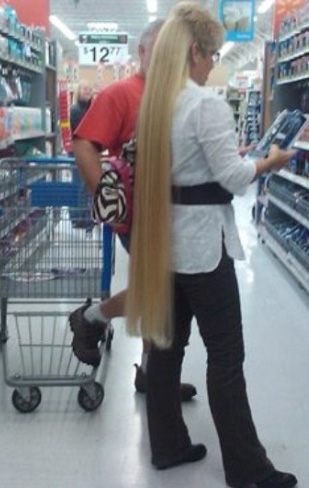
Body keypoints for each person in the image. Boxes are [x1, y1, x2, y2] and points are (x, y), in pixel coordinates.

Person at [124, 3, 297, 488]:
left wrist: (230, 158)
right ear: (195, 51)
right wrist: (268, 162)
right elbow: (235, 180)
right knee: (225, 357)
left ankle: (169, 446)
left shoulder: (156, 105)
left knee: (165, 347)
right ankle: (245, 465)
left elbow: (191, 169)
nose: (214, 62)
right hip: (204, 248)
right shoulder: (205, 104)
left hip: (165, 243)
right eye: (214, 53)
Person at [69, 19, 197, 402]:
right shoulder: (122, 94)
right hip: (139, 216)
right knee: (161, 290)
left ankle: (148, 371)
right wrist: (106, 199)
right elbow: (84, 145)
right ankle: (94, 320)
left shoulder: (179, 94)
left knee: (161, 293)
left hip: (176, 212)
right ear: (142, 53)